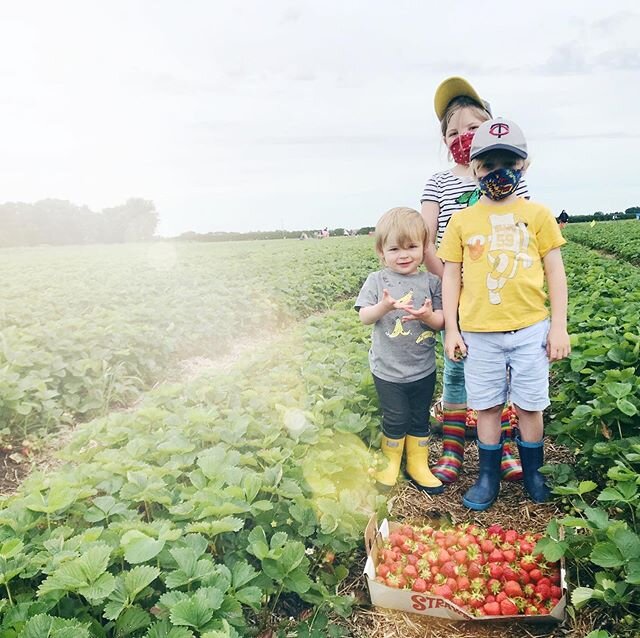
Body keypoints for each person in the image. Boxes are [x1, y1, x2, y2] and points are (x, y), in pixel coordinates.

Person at [437, 117, 570, 510]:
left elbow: (555, 272)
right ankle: (488, 476)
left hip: (530, 328)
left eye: (508, 163)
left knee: (530, 404)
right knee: (488, 406)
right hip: (479, 332)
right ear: (475, 168)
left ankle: (534, 473)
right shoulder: (462, 220)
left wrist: (558, 327)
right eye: (489, 165)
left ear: (524, 166)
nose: (499, 173)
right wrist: (452, 330)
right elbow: (451, 277)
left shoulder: (539, 215)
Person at [420, 77, 526, 484]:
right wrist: (453, 280)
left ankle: (500, 451)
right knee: (456, 369)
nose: (462, 137)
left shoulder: (510, 175)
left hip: (500, 291)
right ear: (443, 140)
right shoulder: (439, 181)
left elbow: (524, 228)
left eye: (471, 128)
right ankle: (452, 451)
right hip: (455, 291)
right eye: (452, 132)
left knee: (502, 371)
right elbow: (427, 239)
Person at [355, 207, 444, 494]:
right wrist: (384, 307)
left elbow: (441, 321)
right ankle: (390, 462)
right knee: (395, 417)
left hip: (422, 368)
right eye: (394, 248)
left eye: (411, 247)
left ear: (424, 248)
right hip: (388, 370)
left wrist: (427, 317)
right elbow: (364, 316)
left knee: (419, 416)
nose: (403, 255)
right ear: (381, 251)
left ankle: (418, 463)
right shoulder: (376, 281)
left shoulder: (431, 282)